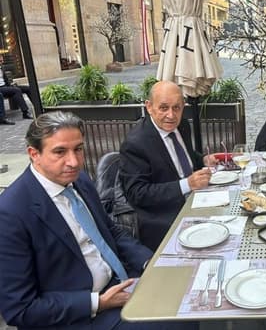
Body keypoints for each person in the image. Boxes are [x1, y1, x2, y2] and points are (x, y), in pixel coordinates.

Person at [0, 111, 197, 330]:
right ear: (33, 154)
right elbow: (20, 309)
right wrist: (98, 303)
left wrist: (148, 261)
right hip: (80, 316)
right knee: (176, 320)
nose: (73, 162)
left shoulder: (79, 181)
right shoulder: (10, 213)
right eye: (60, 152)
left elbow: (110, 232)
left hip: (121, 281)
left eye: (78, 149)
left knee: (191, 292)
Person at [119, 81, 216, 251]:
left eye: (176, 108)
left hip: (196, 199)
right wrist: (187, 184)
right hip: (164, 216)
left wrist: (203, 159)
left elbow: (184, 155)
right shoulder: (135, 144)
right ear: (149, 107)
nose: (171, 115)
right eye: (164, 108)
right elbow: (137, 193)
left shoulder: (182, 125)